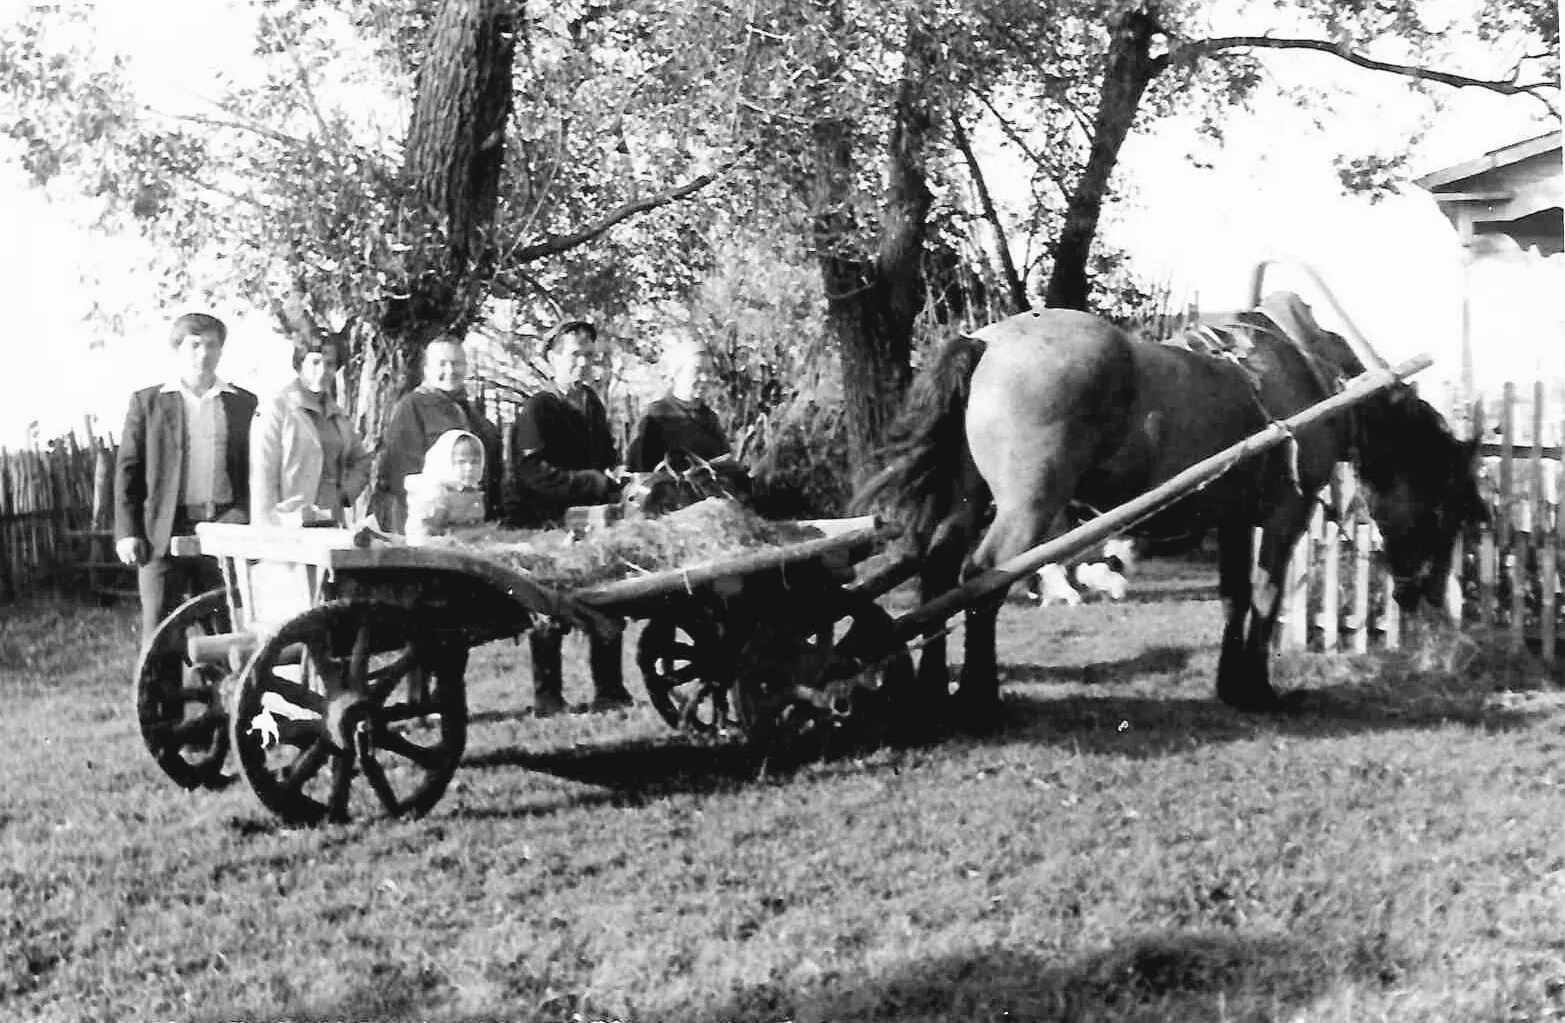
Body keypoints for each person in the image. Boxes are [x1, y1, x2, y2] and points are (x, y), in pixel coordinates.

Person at [507, 319, 632, 716]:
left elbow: (606, 458)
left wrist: (615, 480)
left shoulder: (591, 404)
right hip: (547, 522)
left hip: (591, 520)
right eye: (574, 355)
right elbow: (532, 474)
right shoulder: (538, 408)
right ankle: (548, 698)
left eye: (589, 356)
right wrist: (591, 482)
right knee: (548, 608)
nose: (582, 364)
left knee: (608, 598)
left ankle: (610, 690)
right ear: (552, 359)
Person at [115, 312, 258, 651]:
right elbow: (128, 469)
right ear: (177, 349)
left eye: (212, 345)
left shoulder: (241, 403)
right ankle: (162, 704)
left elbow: (256, 469)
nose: (203, 353)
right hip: (162, 532)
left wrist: (243, 511)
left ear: (221, 351)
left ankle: (226, 701)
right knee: (161, 631)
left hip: (224, 528)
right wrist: (127, 532)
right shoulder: (148, 402)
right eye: (194, 345)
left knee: (227, 628)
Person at [372, 335, 502, 534]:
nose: (450, 371)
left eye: (456, 364)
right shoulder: (412, 407)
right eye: (442, 364)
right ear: (427, 370)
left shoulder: (473, 414)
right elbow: (404, 476)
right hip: (426, 525)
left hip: (471, 526)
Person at [250, 332, 372, 526]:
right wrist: (266, 530)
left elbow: (363, 461)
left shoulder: (338, 415)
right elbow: (263, 474)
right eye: (315, 362)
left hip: (330, 523)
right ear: (299, 364)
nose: (322, 371)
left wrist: (345, 494)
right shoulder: (277, 407)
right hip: (287, 525)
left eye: (330, 364)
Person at [626, 335, 733, 472]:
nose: (705, 378)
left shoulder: (709, 418)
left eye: (708, 372)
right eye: (697, 370)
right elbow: (636, 472)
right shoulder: (654, 416)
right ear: (677, 372)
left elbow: (724, 464)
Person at [404, 429, 487, 544]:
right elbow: (423, 535)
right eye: (461, 462)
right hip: (440, 556)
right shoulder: (437, 495)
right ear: (446, 462)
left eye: (474, 462)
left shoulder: (470, 492)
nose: (469, 468)